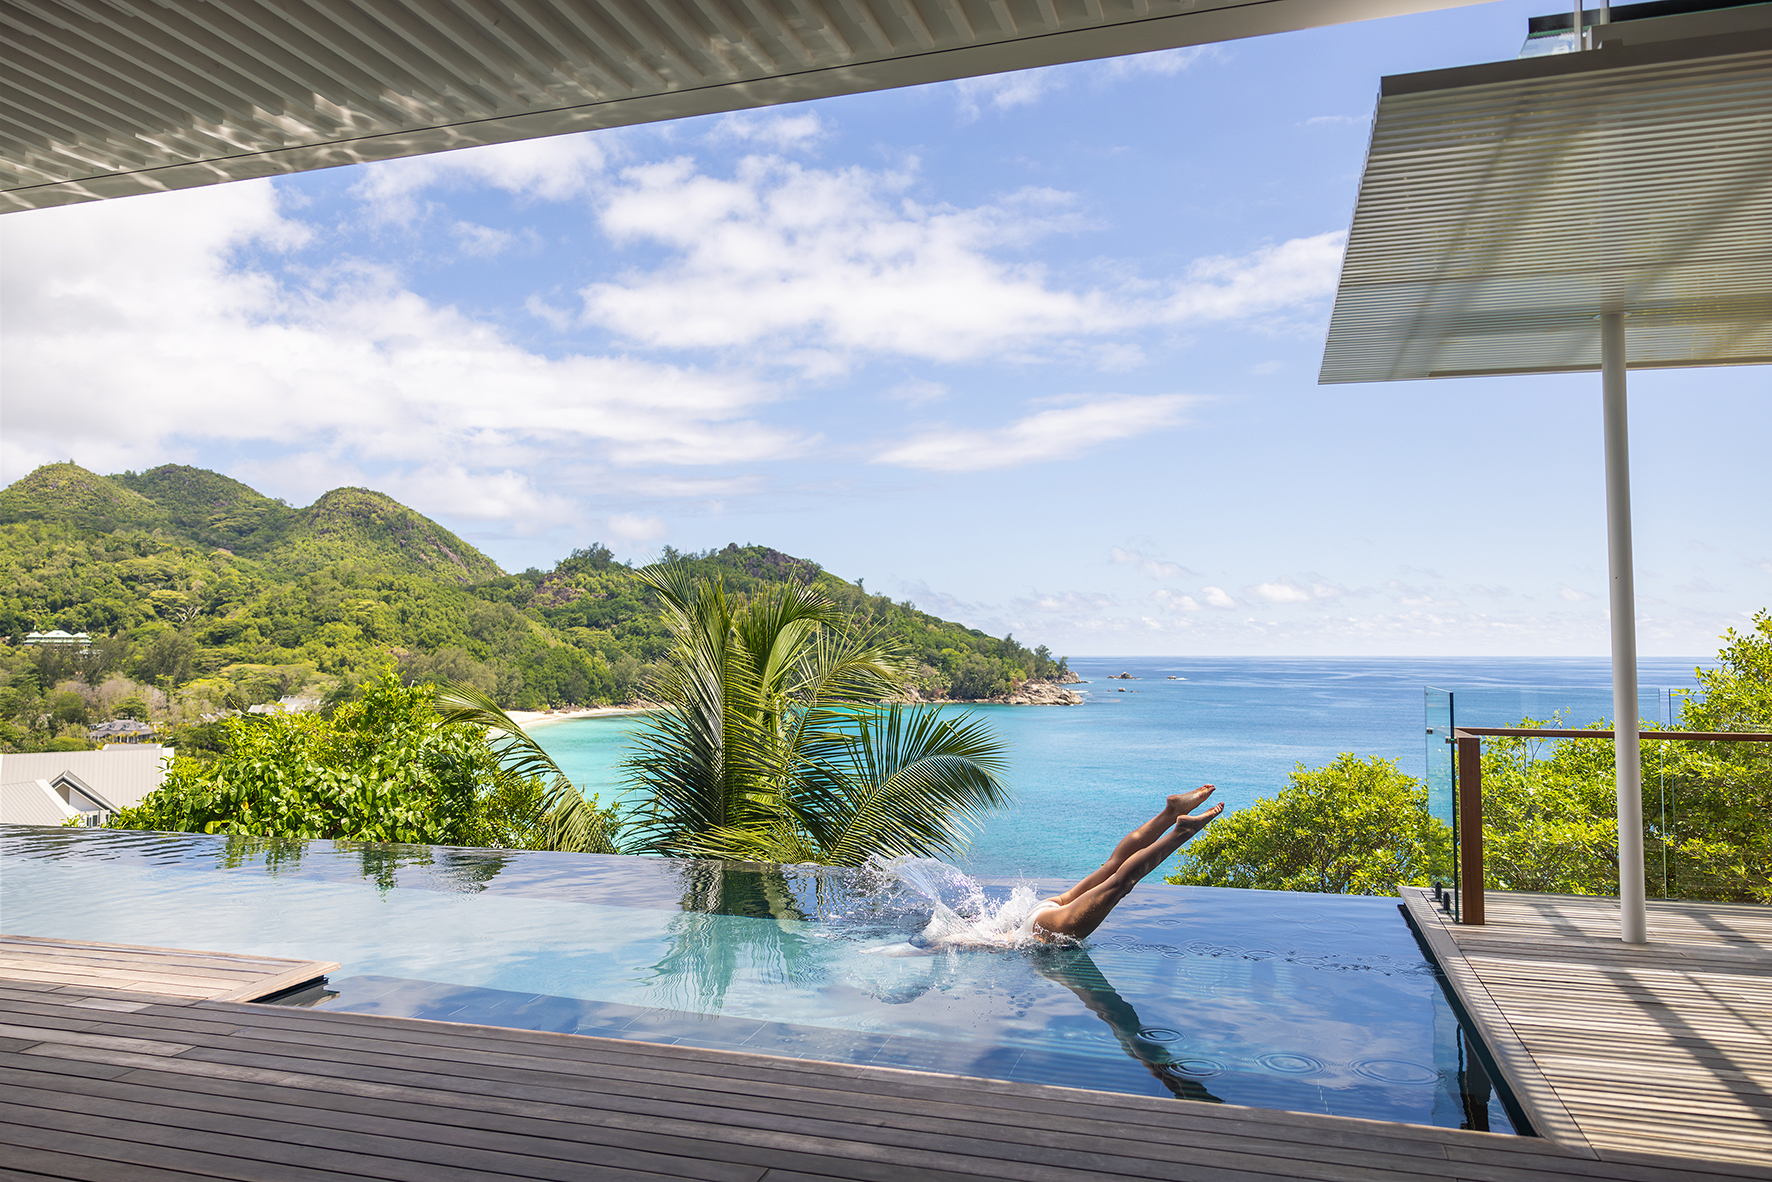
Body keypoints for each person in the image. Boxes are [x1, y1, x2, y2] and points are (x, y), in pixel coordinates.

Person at [1026, 785, 1222, 942]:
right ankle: (1170, 813)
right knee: (1113, 865)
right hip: (1048, 907)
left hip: (1049, 927)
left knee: (1120, 884)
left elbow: (1001, 941)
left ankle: (1181, 833)